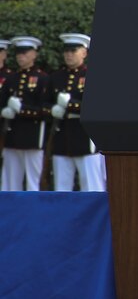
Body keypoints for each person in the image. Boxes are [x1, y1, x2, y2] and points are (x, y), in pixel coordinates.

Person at [46, 33, 106, 192]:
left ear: (84, 53)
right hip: (62, 138)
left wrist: (70, 104)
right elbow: (45, 103)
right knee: (61, 187)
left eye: (73, 50)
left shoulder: (93, 75)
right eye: (66, 51)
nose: (69, 54)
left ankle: (95, 217)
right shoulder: (56, 77)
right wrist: (53, 110)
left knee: (92, 187)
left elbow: (97, 106)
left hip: (85, 138)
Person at [0, 36, 50, 191]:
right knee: (9, 182)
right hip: (12, 136)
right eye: (18, 53)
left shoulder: (42, 79)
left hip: (32, 137)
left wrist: (22, 109)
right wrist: (4, 111)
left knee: (33, 182)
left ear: (34, 54)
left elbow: (44, 109)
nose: (21, 56)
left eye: (25, 53)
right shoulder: (11, 78)